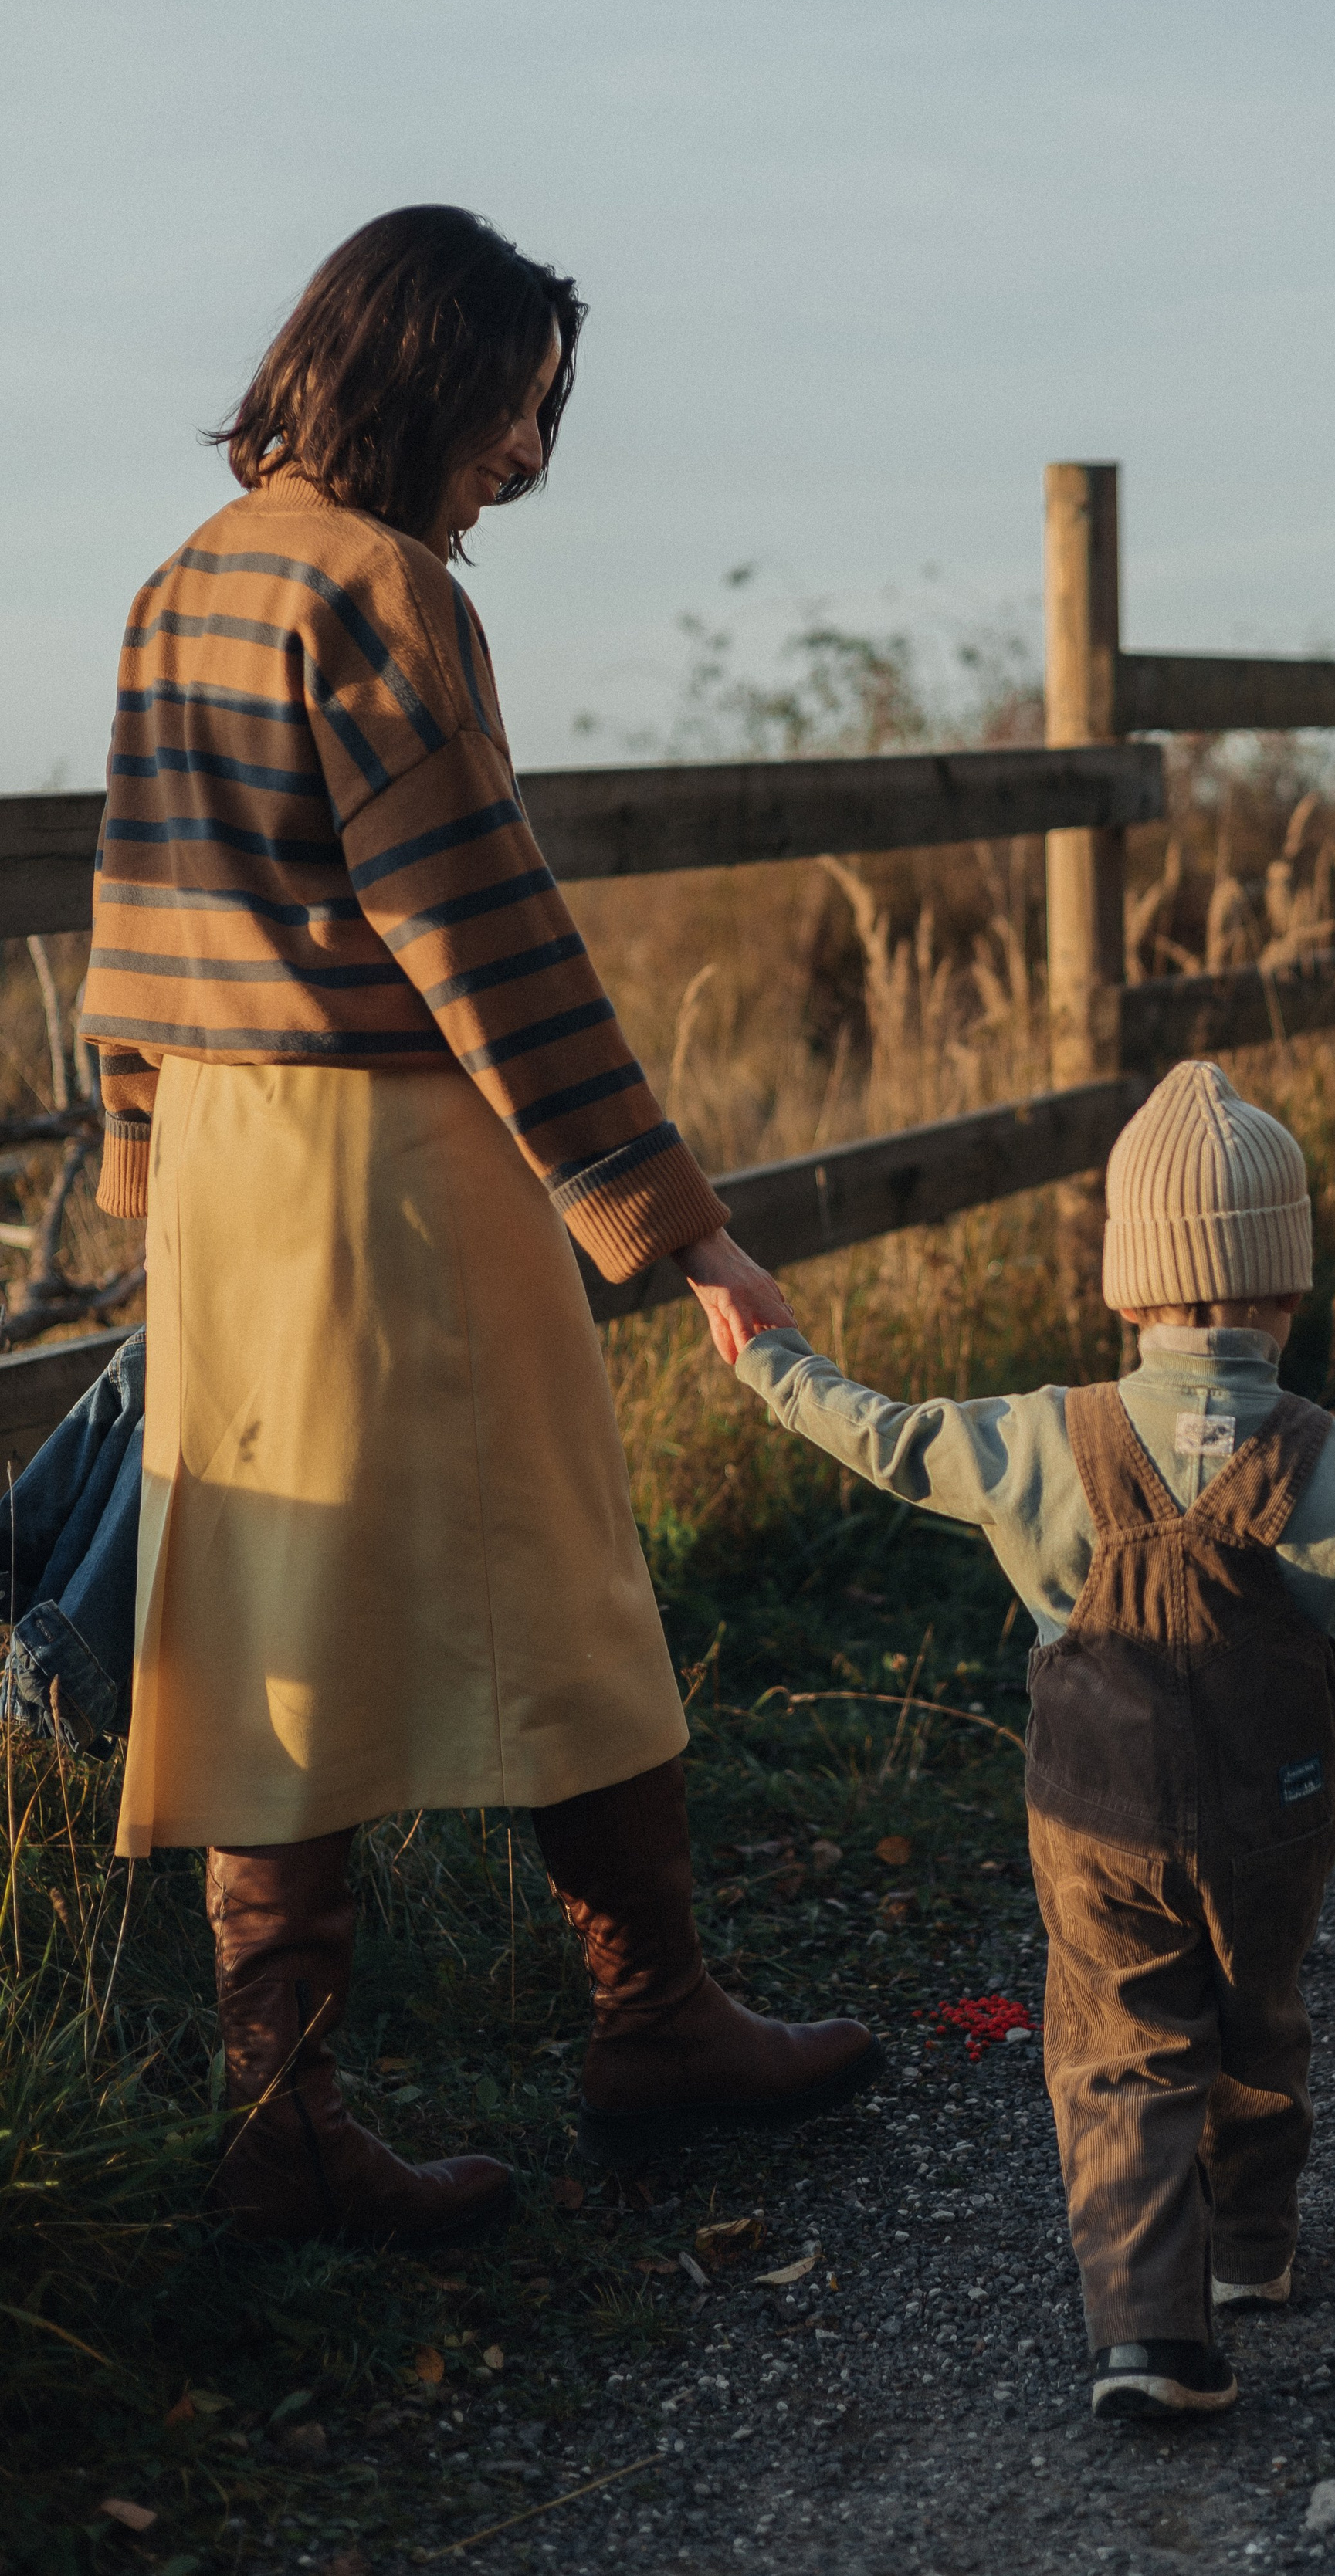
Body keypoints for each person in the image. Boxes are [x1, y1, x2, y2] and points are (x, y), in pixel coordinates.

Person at [78, 205, 881, 2251]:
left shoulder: (184, 585)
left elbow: (135, 931)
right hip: (399, 1172)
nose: (527, 458)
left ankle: (284, 2116)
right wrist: (678, 1225)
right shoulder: (381, 593)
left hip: (241, 1190)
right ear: (424, 377)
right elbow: (486, 938)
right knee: (559, 1577)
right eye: (516, 409)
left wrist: (146, 1163)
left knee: (274, 1616)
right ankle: (660, 2014)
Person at [733, 1059, 1335, 2417]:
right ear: (1288, 1287)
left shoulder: (1042, 1438)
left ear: (1126, 1288)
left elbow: (890, 1439)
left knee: (1119, 2046)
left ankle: (1149, 2333)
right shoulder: (1331, 1455)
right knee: (1259, 2022)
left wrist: (776, 1362)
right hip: (1274, 1813)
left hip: (1097, 1822)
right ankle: (1249, 2252)